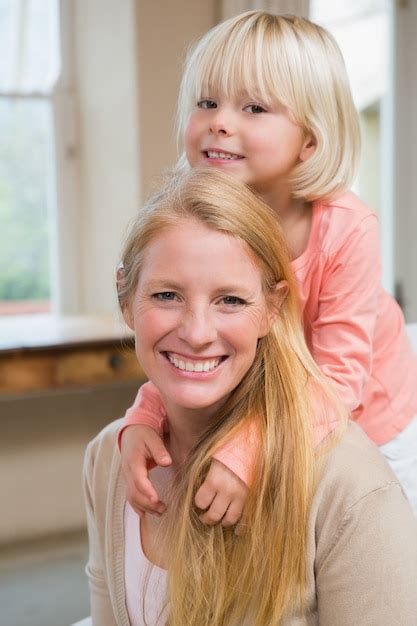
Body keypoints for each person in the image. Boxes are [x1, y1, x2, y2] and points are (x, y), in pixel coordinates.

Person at [119, 11, 417, 521]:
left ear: (310, 139)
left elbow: (339, 378)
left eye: (253, 107)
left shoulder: (345, 228)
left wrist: (252, 448)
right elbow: (189, 339)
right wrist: (146, 415)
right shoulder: (202, 222)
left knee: (380, 549)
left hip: (369, 422)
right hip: (277, 407)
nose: (220, 121)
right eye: (207, 102)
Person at [84, 169, 417, 626]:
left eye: (231, 301)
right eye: (166, 295)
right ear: (126, 299)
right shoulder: (110, 457)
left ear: (272, 309)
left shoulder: (350, 488)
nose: (197, 333)